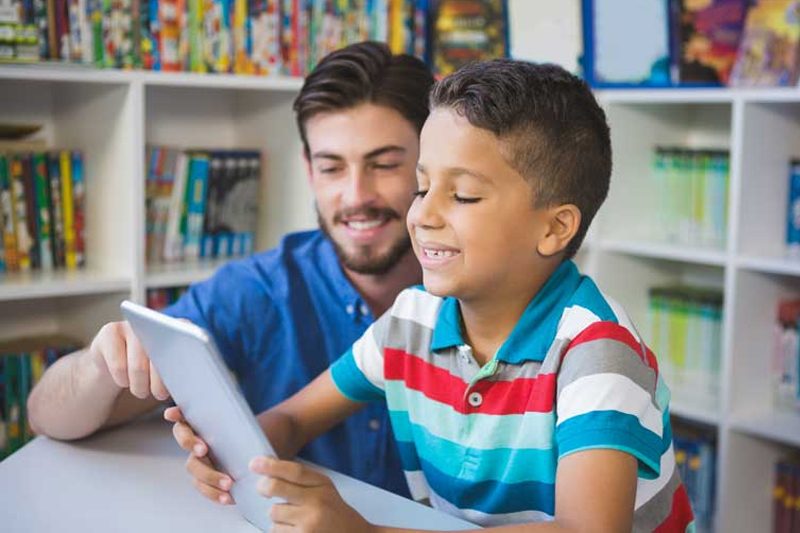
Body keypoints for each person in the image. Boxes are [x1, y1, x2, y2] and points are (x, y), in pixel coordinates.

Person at [171, 59, 695, 532]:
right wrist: (234, 451)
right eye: (422, 187)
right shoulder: (413, 322)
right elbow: (292, 418)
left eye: (463, 194)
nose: (422, 214)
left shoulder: (597, 355)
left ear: (555, 228)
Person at [26, 41, 434, 497]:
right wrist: (101, 365)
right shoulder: (260, 290)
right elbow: (45, 415)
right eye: (332, 168)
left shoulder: (489, 291)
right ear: (308, 169)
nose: (356, 195)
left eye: (384, 164)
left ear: (430, 164)